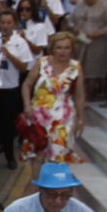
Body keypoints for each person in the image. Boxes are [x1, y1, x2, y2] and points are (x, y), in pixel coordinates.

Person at [21, 31, 87, 165]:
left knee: (58, 155)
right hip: (39, 116)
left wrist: (81, 119)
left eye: (66, 48)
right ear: (53, 48)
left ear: (72, 49)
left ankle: (54, 185)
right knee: (38, 154)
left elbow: (79, 96)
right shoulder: (42, 62)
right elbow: (27, 85)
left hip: (63, 119)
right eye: (59, 47)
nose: (63, 51)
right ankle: (36, 184)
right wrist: (27, 105)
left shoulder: (76, 67)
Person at [0, 11, 35, 169]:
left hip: (10, 88)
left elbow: (24, 66)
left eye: (8, 23)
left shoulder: (20, 42)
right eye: (2, 22)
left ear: (14, 24)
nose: (5, 26)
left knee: (7, 123)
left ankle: (9, 156)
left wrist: (8, 54)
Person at [71, 0, 107, 101]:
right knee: (80, 65)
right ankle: (78, 92)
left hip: (99, 42)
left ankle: (89, 93)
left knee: (94, 68)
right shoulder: (81, 4)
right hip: (81, 39)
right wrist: (74, 27)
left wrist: (99, 32)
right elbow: (72, 19)